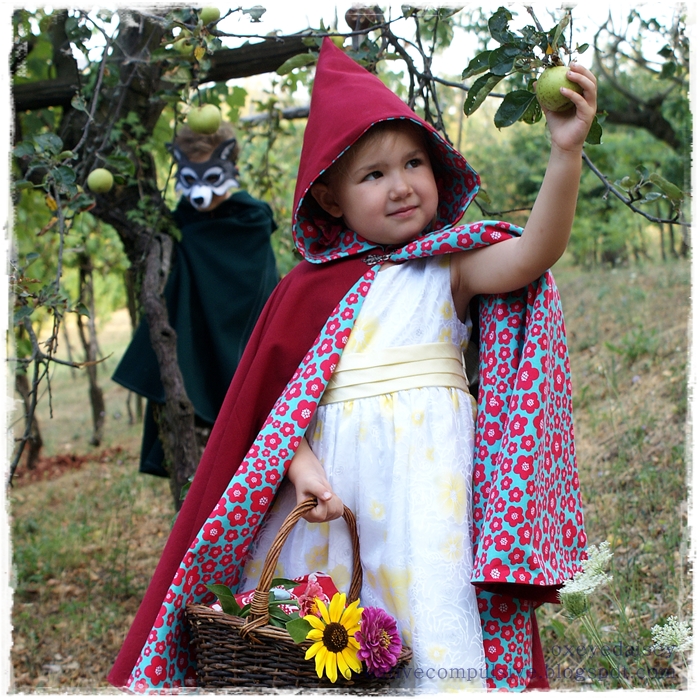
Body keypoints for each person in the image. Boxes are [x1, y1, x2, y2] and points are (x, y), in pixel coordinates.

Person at [108, 39, 595, 692]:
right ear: (332, 200)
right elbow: (274, 411)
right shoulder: (304, 292)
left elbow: (536, 250)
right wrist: (301, 463)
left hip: (433, 489)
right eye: (373, 175)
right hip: (332, 499)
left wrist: (565, 153)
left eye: (414, 163)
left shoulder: (448, 267)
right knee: (324, 629)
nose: (401, 186)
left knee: (431, 606)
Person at [112, 122, 279, 477]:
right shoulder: (178, 224)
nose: (201, 190)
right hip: (195, 342)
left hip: (241, 345)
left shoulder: (251, 220)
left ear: (230, 167)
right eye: (191, 176)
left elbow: (258, 295)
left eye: (211, 174)